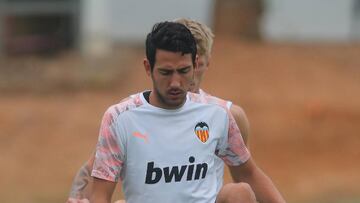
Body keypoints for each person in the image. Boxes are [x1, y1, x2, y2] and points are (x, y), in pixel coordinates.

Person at [67, 20, 285, 203]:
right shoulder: (121, 118)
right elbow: (96, 182)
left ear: (199, 63)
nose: (175, 82)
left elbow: (249, 173)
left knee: (240, 192)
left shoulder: (221, 115)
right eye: (165, 72)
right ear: (148, 68)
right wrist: (77, 197)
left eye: (184, 71)